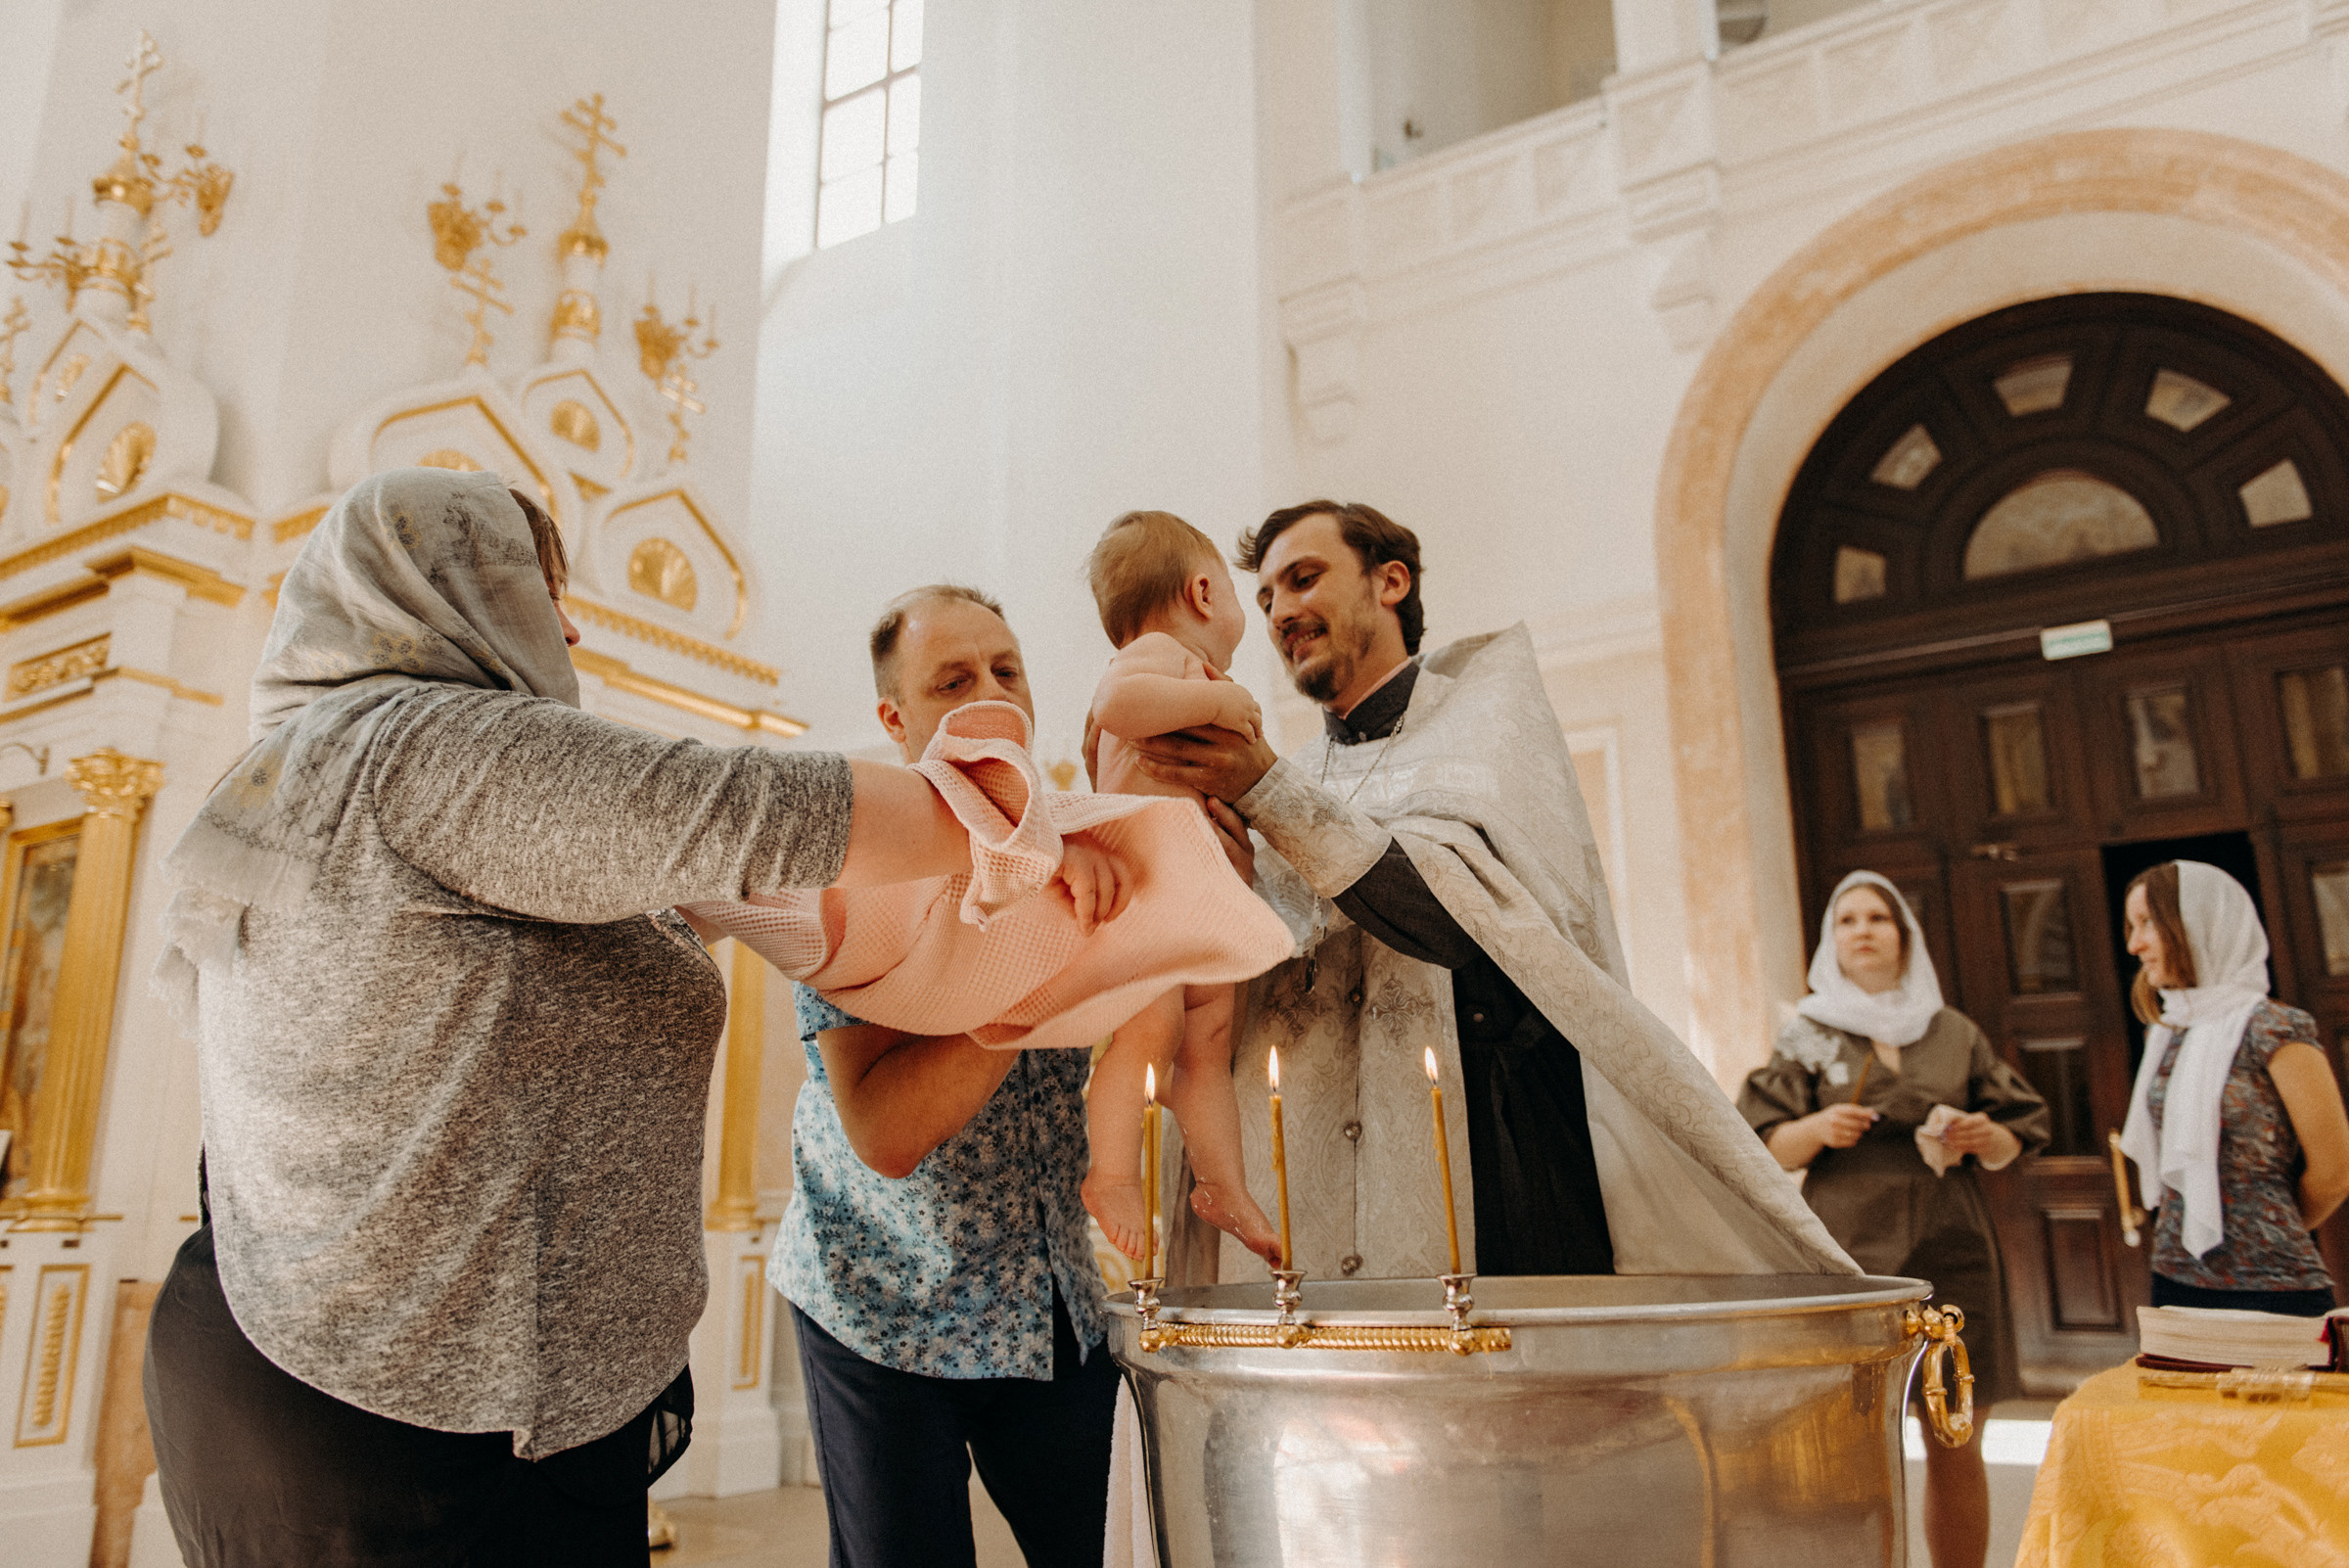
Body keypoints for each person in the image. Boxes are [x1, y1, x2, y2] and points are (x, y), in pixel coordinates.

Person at [142, 469, 985, 1566]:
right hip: (412, 1408)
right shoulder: (431, 742)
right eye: (543, 590)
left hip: (310, 1345)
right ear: (447, 592)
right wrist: (1041, 824)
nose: (573, 625)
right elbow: (769, 810)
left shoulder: (307, 768)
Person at [1122, 500, 1852, 1284]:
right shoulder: (1280, 765)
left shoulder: (1485, 726)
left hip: (1488, 1159)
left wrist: (1266, 793)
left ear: (1390, 581)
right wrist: (1229, 880)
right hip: (1302, 1174)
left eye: (1304, 579)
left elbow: (1452, 921)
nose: (1282, 612)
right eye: (1265, 598)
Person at [769, 585, 1125, 1568]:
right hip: (874, 1294)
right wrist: (1029, 960)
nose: (991, 695)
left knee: (1107, 1547)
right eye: (953, 679)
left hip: (1045, 1296)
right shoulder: (846, 868)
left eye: (1008, 671)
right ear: (897, 716)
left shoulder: (1080, 843)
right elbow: (885, 1130)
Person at [1737, 871, 2050, 1568]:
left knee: (1956, 1428)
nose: (1864, 930)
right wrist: (1818, 1126)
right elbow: (1761, 1145)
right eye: (1847, 920)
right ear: (1831, 942)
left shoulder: (1953, 1031)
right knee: (1847, 1434)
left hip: (1952, 1240)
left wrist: (1979, 1135)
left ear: (1904, 938)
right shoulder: (1810, 1032)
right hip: (1851, 1247)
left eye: (1878, 917)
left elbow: (2017, 1136)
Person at [1081, 510, 1280, 1265]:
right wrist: (1217, 703)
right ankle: (1111, 1175)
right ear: (1203, 590)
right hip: (1144, 896)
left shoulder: (1186, 672)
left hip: (1197, 903)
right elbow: (1116, 707)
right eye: (1234, 591)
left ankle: (1224, 1184)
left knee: (1208, 1047)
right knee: (1149, 1035)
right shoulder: (1155, 655)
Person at [2118, 859, 2349, 1315]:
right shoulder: (2166, 1030)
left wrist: (2266, 1228)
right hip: (2175, 1278)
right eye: (2132, 925)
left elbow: (2336, 1171)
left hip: (2274, 1286)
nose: (2134, 944)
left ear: (2198, 924)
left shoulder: (2276, 1029)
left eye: (2147, 923)